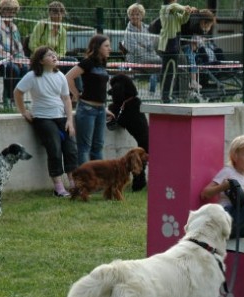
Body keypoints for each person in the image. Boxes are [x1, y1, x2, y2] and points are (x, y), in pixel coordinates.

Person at [14, 46, 77, 198]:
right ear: (41, 61)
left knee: (70, 149)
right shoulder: (32, 76)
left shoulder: (60, 75)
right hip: (43, 118)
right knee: (54, 149)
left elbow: (66, 98)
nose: (54, 56)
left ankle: (74, 184)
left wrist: (69, 120)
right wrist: (24, 111)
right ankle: (58, 188)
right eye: (49, 55)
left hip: (60, 117)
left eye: (54, 54)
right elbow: (18, 92)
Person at [65, 34, 113, 165]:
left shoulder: (102, 63)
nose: (110, 49)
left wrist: (104, 108)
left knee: (98, 146)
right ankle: (85, 180)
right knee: (85, 147)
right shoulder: (87, 62)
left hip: (100, 109)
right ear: (97, 47)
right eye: (106, 46)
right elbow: (68, 77)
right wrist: (76, 94)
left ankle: (99, 179)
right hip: (87, 109)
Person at [158, 0, 196, 103]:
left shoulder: (174, 12)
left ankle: (168, 97)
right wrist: (186, 7)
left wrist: (187, 12)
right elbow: (174, 6)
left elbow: (183, 20)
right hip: (167, 44)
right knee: (166, 71)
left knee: (172, 72)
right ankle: (165, 97)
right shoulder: (165, 9)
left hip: (175, 44)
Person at [123, 2, 160, 94]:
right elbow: (134, 49)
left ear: (142, 15)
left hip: (150, 56)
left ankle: (157, 90)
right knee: (162, 62)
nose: (134, 16)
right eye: (132, 14)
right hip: (135, 58)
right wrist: (146, 47)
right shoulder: (128, 31)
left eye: (137, 14)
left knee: (163, 61)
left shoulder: (146, 28)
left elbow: (152, 45)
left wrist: (144, 46)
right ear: (129, 16)